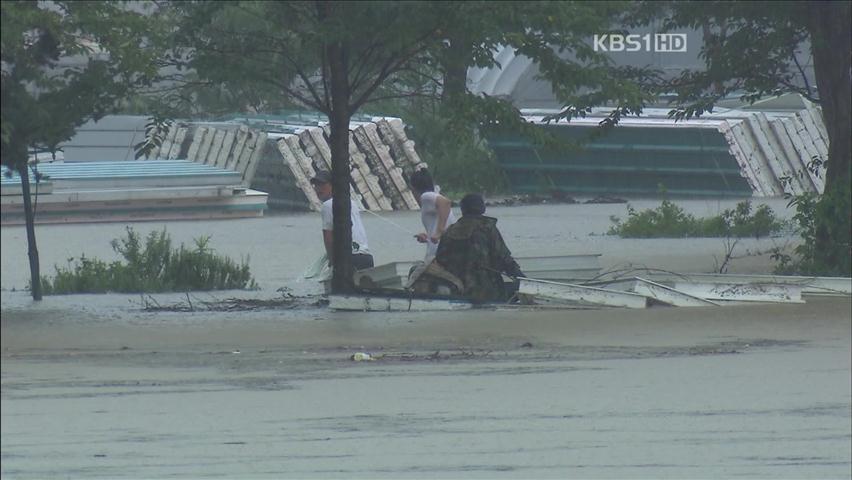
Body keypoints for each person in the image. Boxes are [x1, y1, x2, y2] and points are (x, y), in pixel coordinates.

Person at [433, 193, 525, 303]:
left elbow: (440, 261)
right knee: (516, 288)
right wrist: (524, 281)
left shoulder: (450, 231)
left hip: (456, 289)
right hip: (487, 291)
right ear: (483, 208)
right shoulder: (487, 228)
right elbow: (504, 259)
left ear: (462, 209)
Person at [310, 170, 374, 271]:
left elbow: (328, 236)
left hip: (348, 258)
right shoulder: (351, 203)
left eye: (322, 184)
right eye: (316, 185)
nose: (318, 188)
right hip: (366, 257)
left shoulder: (327, 206)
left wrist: (332, 261)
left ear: (333, 185)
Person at [409, 169, 456, 262]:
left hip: (439, 253)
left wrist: (439, 232)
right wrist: (428, 236)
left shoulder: (426, 196)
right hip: (445, 248)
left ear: (413, 189)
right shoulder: (431, 198)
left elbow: (445, 202)